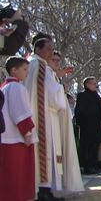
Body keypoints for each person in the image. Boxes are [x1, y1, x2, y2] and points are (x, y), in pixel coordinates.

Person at [24, 33, 83, 200]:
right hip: (44, 118)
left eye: (52, 49)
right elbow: (51, 93)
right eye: (49, 49)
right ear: (38, 48)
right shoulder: (39, 66)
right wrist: (61, 89)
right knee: (46, 152)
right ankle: (43, 190)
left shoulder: (37, 65)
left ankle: (47, 189)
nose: (52, 52)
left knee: (52, 153)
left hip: (46, 114)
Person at [0, 57, 37, 201]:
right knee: (18, 175)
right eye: (25, 69)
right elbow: (20, 112)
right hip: (17, 139)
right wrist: (27, 133)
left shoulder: (4, 87)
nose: (27, 73)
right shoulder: (17, 87)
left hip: (6, 138)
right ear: (14, 70)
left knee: (8, 175)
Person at [74, 77, 101, 175]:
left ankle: (94, 164)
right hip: (87, 125)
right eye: (93, 83)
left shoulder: (96, 96)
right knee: (88, 147)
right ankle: (87, 166)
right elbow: (79, 111)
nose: (95, 85)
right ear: (87, 85)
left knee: (95, 145)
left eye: (95, 83)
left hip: (97, 125)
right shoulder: (82, 95)